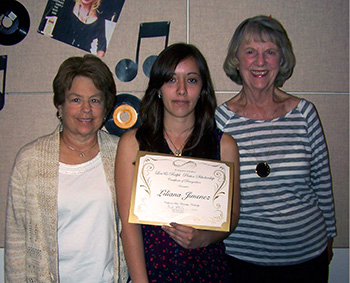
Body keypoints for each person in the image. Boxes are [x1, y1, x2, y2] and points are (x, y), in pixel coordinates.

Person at [215, 15, 337, 283]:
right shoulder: (220, 120)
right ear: (237, 59)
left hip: (307, 257)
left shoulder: (305, 114)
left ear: (282, 60)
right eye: (250, 52)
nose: (260, 62)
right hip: (242, 260)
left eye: (270, 52)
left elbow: (322, 183)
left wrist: (329, 235)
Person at [115, 43, 240, 282]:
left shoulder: (224, 146)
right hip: (152, 272)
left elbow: (231, 214)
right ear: (159, 87)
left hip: (208, 272)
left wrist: (204, 237)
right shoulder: (133, 143)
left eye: (191, 80)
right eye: (172, 79)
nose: (181, 90)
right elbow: (129, 226)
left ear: (203, 88)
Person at [5, 54, 128, 282]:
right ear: (60, 106)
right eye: (75, 100)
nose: (86, 110)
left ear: (105, 106)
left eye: (94, 100)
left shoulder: (121, 153)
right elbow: (16, 240)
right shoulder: (30, 160)